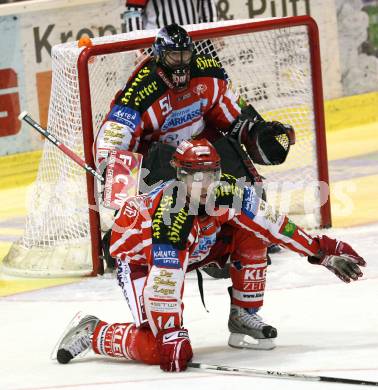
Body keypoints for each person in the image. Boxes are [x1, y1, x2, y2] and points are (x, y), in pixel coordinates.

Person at [56, 139, 365, 372]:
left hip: (195, 247)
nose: (205, 185)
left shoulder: (229, 191)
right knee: (154, 348)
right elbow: (163, 284)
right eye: (195, 177)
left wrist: (323, 252)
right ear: (180, 175)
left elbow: (276, 227)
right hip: (140, 261)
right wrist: (170, 334)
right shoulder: (170, 216)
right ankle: (94, 330)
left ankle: (244, 314)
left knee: (252, 232)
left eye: (211, 174)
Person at [96, 23, 294, 272]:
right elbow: (115, 137)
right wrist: (114, 172)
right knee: (173, 202)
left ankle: (241, 234)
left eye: (185, 55)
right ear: (159, 56)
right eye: (172, 56)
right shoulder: (141, 90)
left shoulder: (209, 74)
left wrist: (255, 131)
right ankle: (135, 235)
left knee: (246, 184)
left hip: (202, 149)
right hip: (161, 158)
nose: (180, 63)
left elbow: (233, 117)